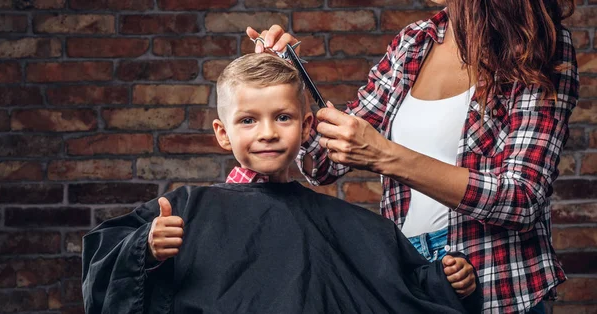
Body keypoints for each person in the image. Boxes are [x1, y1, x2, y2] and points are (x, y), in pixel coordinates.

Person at [81, 53, 482, 314]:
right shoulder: (186, 210)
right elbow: (103, 270)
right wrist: (145, 248)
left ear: (307, 126)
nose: (268, 132)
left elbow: (398, 289)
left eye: (284, 117)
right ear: (223, 133)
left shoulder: (348, 224)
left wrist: (446, 282)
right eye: (248, 120)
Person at [246, 0, 579, 313]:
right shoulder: (414, 42)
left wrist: (386, 155)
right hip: (408, 276)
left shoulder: (537, 45)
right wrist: (290, 85)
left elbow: (520, 198)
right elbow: (322, 162)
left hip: (494, 281)